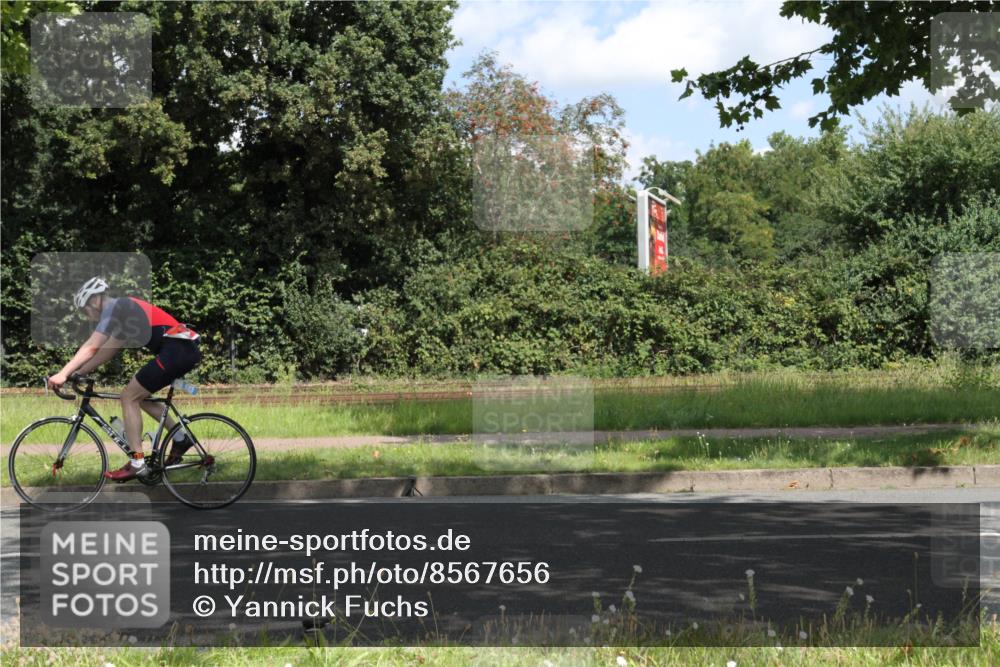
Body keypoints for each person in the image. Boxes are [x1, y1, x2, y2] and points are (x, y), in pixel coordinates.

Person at [47, 277, 203, 481]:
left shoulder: (118, 306)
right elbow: (106, 352)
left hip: (177, 350)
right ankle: (180, 438)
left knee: (128, 397)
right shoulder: (123, 314)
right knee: (140, 397)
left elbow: (92, 346)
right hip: (180, 350)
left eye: (85, 310)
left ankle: (137, 462)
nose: (87, 317)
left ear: (94, 301)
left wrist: (63, 373)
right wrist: (79, 373)